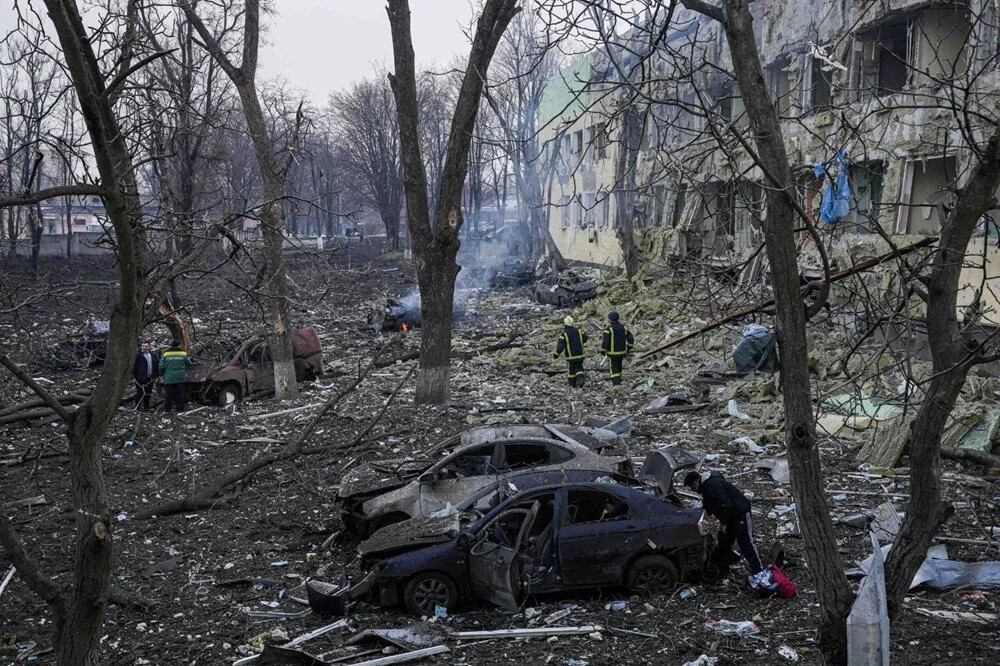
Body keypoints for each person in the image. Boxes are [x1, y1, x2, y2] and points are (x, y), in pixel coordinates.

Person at [685, 470, 762, 575]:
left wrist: (724, 523)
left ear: (694, 483)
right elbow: (711, 504)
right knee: (724, 539)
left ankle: (758, 570)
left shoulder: (712, 485)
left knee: (745, 541)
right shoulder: (708, 484)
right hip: (731, 514)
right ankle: (726, 564)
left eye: (691, 487)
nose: (693, 490)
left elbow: (726, 505)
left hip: (740, 512)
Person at [600, 311, 634, 385]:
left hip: (612, 353)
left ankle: (616, 382)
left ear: (610, 319)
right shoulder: (623, 328)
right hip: (622, 352)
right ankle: (619, 379)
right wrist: (629, 348)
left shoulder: (608, 329)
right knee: (619, 366)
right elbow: (630, 338)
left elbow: (605, 341)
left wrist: (603, 350)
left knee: (613, 367)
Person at [554, 316, 587, 387]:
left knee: (571, 370)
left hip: (571, 356)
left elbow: (560, 347)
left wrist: (556, 355)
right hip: (580, 354)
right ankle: (580, 379)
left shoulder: (564, 334)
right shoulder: (579, 330)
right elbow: (585, 339)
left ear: (565, 324)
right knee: (579, 367)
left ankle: (572, 385)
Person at [159, 345, 193, 412]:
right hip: (180, 377)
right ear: (179, 346)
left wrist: (162, 373)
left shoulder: (165, 354)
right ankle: (180, 408)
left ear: (171, 346)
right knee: (180, 393)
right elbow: (188, 363)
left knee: (169, 394)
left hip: (169, 377)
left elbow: (161, 366)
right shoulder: (183, 353)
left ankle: (167, 409)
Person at [132, 342, 159, 411]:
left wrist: (156, 376)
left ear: (149, 347)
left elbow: (156, 366)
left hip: (150, 378)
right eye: (143, 346)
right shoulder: (138, 356)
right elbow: (133, 367)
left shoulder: (153, 355)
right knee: (139, 393)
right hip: (140, 378)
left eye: (146, 346)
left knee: (148, 393)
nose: (144, 348)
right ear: (141, 347)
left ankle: (146, 407)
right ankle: (137, 408)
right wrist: (133, 377)